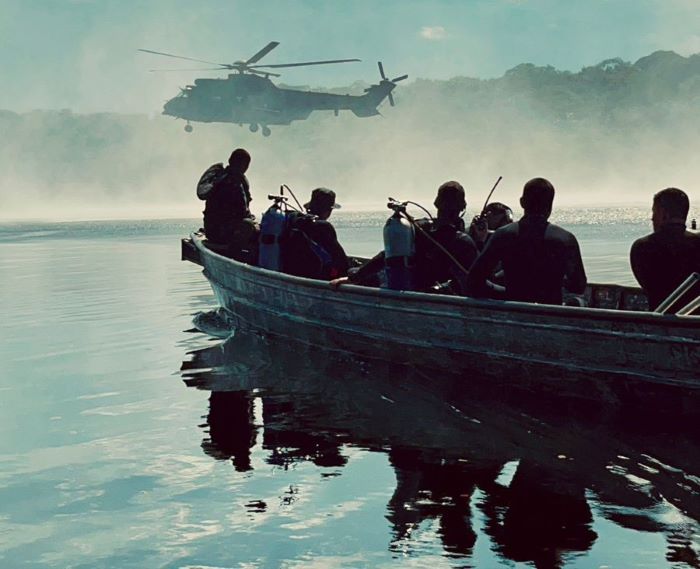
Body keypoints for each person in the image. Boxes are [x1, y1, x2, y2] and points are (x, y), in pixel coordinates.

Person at [340, 181, 478, 293]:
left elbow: (386, 255)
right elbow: (475, 277)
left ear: (436, 203)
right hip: (442, 295)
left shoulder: (418, 229)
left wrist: (354, 277)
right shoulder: (464, 241)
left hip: (413, 289)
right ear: (462, 207)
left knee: (353, 271)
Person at [466, 177, 587, 305]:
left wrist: (506, 294)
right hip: (550, 310)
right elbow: (578, 286)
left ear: (522, 202)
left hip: (514, 308)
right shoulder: (565, 239)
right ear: (550, 206)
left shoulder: (503, 235)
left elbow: (474, 281)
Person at [630, 187, 700, 310]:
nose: (652, 218)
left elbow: (649, 288)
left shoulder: (642, 247)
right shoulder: (697, 243)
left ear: (663, 214)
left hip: (660, 316)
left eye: (654, 212)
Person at [202, 148, 258, 261]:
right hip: (218, 231)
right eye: (242, 164)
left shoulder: (230, 179)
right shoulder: (228, 183)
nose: (244, 167)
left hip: (218, 228)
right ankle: (233, 257)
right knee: (248, 226)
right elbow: (240, 212)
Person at [283, 187, 349, 280]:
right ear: (328, 210)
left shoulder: (295, 221)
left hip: (292, 271)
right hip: (318, 276)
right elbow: (341, 260)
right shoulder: (323, 227)